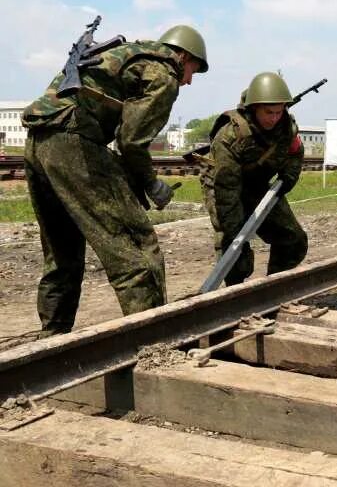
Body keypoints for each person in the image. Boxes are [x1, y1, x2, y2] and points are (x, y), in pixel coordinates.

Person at [21, 24, 208, 336]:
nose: (188, 80)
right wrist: (151, 184)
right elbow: (132, 142)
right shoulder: (163, 73)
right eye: (192, 70)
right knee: (136, 247)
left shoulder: (125, 55)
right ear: (183, 56)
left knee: (61, 248)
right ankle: (153, 341)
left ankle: (52, 335)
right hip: (73, 141)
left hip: (39, 141)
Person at [200, 72, 308, 286]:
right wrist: (236, 231)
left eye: (279, 111)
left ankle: (274, 290)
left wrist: (288, 177)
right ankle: (236, 295)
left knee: (292, 239)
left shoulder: (286, 127)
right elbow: (226, 187)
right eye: (268, 112)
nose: (274, 118)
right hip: (224, 186)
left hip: (258, 185)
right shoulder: (230, 136)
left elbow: (296, 152)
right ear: (254, 107)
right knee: (234, 246)